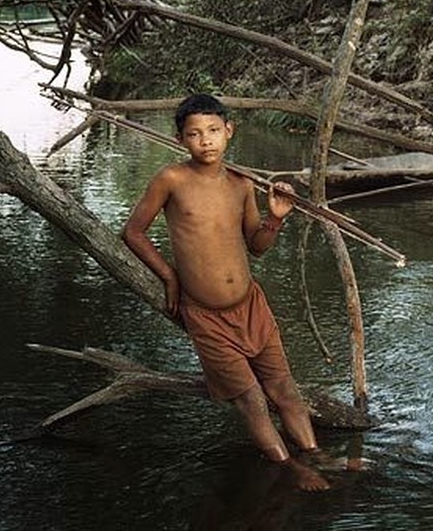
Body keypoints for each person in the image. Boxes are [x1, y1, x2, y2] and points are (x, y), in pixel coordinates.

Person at [122, 94, 330, 492]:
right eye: (195, 134)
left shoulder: (241, 183)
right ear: (181, 138)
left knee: (285, 389)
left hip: (252, 306)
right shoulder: (172, 180)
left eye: (214, 131)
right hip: (206, 314)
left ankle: (317, 456)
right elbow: (133, 232)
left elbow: (256, 245)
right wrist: (169, 275)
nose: (206, 141)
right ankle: (290, 469)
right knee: (251, 399)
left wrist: (275, 217)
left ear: (229, 131)